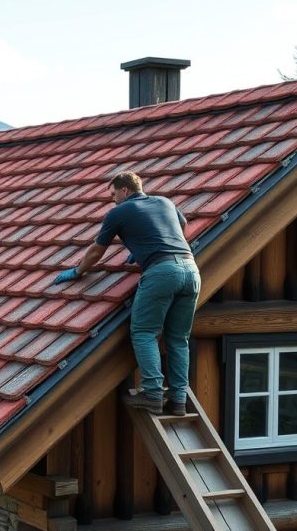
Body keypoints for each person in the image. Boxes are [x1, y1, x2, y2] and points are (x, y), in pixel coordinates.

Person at [54, 171, 200, 415]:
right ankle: (178, 401)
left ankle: (153, 394)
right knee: (177, 338)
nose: (112, 200)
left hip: (162, 272)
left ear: (125, 190)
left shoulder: (119, 212)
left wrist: (78, 271)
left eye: (113, 195)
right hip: (191, 270)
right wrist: (152, 243)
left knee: (144, 332)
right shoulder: (165, 201)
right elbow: (183, 225)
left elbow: (96, 251)